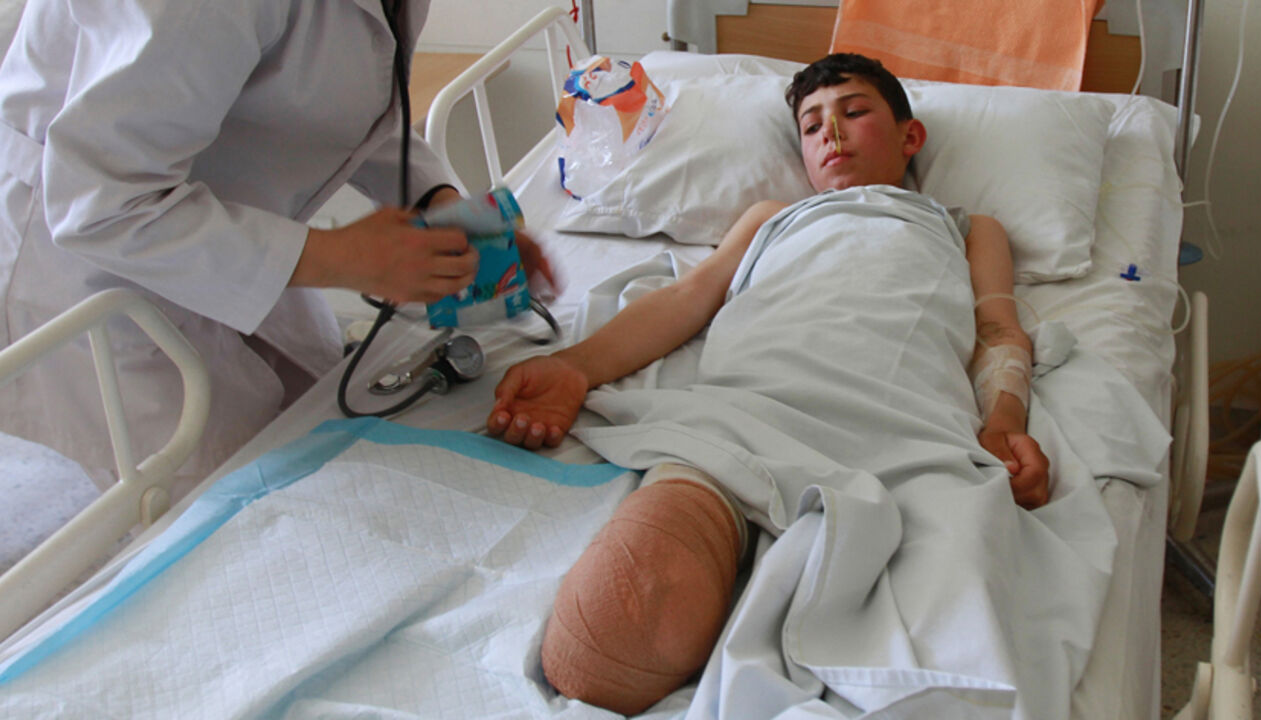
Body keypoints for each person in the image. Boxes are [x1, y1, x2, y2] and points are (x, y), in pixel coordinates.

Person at [485, 54, 1050, 714]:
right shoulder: (770, 217)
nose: (831, 133)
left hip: (892, 415)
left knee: (936, 654)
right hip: (747, 404)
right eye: (811, 125)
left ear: (910, 136)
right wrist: (576, 366)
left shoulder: (967, 228)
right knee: (613, 626)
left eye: (855, 112)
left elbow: (999, 330)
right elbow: (688, 299)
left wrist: (1005, 419)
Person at [0, 0, 553, 493]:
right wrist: (342, 257)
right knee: (183, 513)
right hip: (97, 269)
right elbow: (101, 201)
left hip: (229, 219)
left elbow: (346, 99)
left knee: (311, 440)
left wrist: (437, 203)